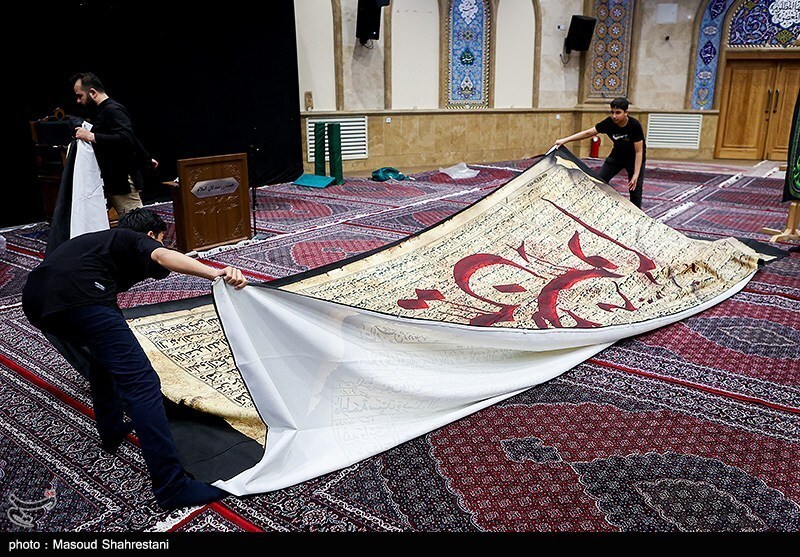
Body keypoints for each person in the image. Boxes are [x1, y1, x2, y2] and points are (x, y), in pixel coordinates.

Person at [22, 208, 248, 511]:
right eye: (162, 239)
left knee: (103, 356)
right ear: (151, 235)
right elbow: (163, 257)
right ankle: (172, 487)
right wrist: (215, 273)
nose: (162, 245)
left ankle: (111, 429)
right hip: (80, 297)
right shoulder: (132, 238)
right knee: (142, 384)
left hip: (37, 305)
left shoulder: (103, 245)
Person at [71, 72, 157, 217]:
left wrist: (91, 136)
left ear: (92, 92)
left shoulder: (112, 109)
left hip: (121, 180)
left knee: (136, 222)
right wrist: (146, 158)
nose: (78, 101)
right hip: (112, 179)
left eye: (80, 96)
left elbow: (126, 138)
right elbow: (128, 137)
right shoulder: (101, 111)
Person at [554, 97, 646, 209]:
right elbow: (588, 133)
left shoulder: (634, 125)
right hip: (617, 157)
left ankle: (636, 214)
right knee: (598, 181)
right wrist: (565, 140)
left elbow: (639, 151)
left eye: (618, 113)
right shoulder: (609, 122)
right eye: (612, 112)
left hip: (634, 160)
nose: (614, 116)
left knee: (635, 190)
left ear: (626, 112)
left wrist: (636, 174)